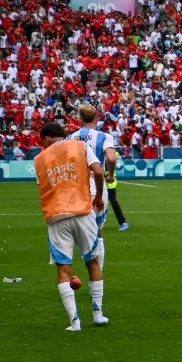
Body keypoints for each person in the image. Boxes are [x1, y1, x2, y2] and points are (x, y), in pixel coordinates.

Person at [34, 122, 109, 331]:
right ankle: (98, 314)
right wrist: (100, 197)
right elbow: (98, 171)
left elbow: (42, 185)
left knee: (64, 269)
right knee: (92, 262)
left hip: (56, 215)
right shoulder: (80, 146)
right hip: (83, 211)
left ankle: (74, 322)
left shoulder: (38, 159)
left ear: (47, 138)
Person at [68, 104, 117, 268]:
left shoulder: (71, 138)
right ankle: (97, 275)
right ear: (97, 118)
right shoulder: (104, 136)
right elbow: (111, 158)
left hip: (76, 186)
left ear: (79, 119)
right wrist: (110, 175)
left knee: (78, 227)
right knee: (97, 229)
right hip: (96, 184)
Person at [106, 152, 130, 231]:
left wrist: (111, 172)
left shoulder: (113, 152)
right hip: (98, 181)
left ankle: (123, 223)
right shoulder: (96, 151)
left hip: (109, 183)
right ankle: (93, 224)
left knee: (114, 202)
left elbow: (120, 162)